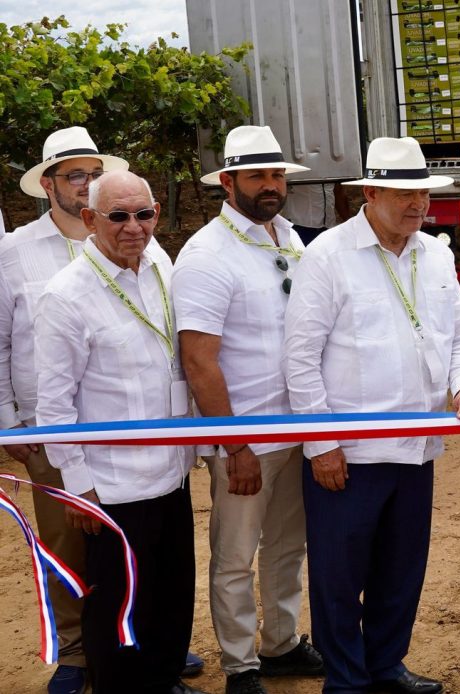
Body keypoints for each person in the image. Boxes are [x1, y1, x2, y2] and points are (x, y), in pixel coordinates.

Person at [284, 137, 460, 694]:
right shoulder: (328, 255)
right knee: (339, 577)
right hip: (349, 454)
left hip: (418, 446)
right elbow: (300, 357)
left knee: (401, 570)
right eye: (403, 194)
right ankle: (346, 682)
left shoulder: (435, 253)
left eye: (423, 193)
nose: (417, 204)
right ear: (370, 193)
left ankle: (387, 666)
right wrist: (322, 444)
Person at [34, 170, 205, 694]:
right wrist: (79, 487)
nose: (134, 227)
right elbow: (54, 405)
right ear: (90, 219)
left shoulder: (160, 264)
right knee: (117, 604)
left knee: (171, 589)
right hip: (112, 485)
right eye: (118, 216)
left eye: (144, 214)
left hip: (172, 469)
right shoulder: (65, 295)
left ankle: (165, 679)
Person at [175, 126, 323, 694]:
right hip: (245, 438)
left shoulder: (289, 238)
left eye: (277, 174)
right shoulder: (206, 255)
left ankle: (280, 645)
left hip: (296, 427)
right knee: (236, 556)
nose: (271, 185)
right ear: (228, 182)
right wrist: (234, 444)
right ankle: (240, 665)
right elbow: (199, 360)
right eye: (257, 175)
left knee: (288, 547)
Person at [0, 126, 127, 694]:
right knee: (65, 543)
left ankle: (129, 641)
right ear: (47, 184)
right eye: (76, 175)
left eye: (96, 174)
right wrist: (8, 422)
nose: (87, 184)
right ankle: (76, 653)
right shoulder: (13, 253)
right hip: (49, 426)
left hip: (125, 424)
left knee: (129, 536)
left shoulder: (129, 237)